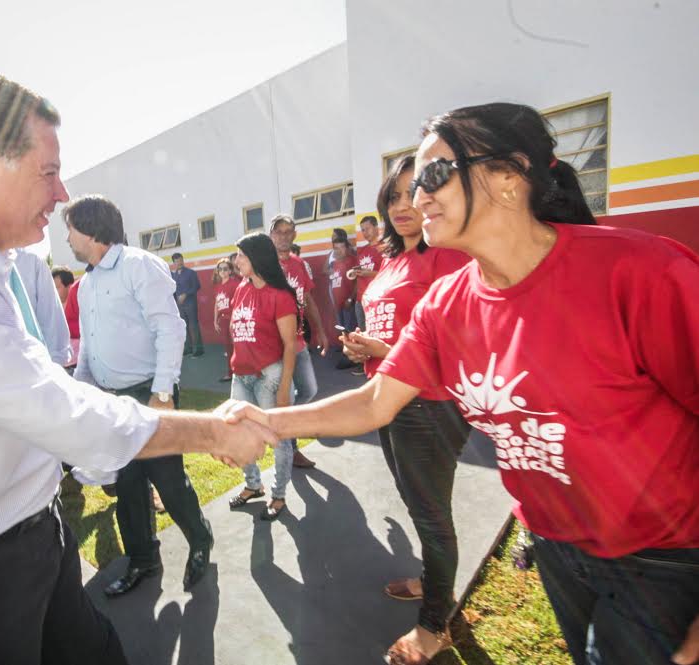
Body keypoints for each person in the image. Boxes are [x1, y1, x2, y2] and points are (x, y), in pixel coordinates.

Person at [0, 70, 273, 664]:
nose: (61, 196)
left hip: (24, 535)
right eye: (49, 171)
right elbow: (51, 408)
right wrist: (212, 429)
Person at [223, 102, 699, 665]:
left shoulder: (640, 274)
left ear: (507, 175)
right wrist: (264, 422)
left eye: (433, 175)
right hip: (555, 546)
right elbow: (376, 400)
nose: (418, 197)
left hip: (663, 558)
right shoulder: (448, 304)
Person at [341, 155, 471, 661]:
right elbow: (393, 334)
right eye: (391, 197)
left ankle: (436, 623)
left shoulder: (450, 258)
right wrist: (363, 348)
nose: (401, 206)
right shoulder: (391, 262)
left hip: (430, 405)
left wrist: (381, 351)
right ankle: (433, 579)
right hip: (388, 400)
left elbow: (456, 349)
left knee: (433, 513)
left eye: (410, 193)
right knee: (419, 504)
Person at [66, 194, 214, 596]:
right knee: (128, 486)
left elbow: (171, 329)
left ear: (92, 229)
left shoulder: (138, 265)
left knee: (167, 479)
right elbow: (91, 350)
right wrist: (81, 393)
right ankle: (144, 560)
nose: (67, 239)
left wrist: (162, 394)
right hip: (113, 401)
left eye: (71, 229)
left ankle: (200, 539)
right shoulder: (87, 285)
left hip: (151, 394)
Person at [225, 232, 298, 520]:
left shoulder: (280, 296)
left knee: (277, 438)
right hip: (240, 375)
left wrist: (284, 388)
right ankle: (253, 486)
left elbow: (291, 344)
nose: (236, 260)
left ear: (256, 258)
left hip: (269, 376)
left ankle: (278, 495)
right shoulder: (241, 288)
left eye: (241, 255)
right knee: (237, 434)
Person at [270, 214, 326, 469]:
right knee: (287, 398)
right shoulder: (265, 265)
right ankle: (290, 449)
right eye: (279, 232)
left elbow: (309, 299)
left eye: (288, 231)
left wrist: (321, 330)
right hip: (275, 345)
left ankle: (283, 427)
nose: (283, 236)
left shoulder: (300, 265)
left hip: (298, 341)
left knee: (309, 390)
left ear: (294, 235)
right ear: (271, 235)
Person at [329, 230, 358, 369]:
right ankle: (348, 355)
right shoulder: (334, 263)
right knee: (343, 330)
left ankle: (353, 359)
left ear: (346, 247)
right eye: (335, 248)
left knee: (350, 330)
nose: (338, 251)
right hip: (338, 305)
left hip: (348, 303)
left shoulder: (352, 260)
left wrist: (351, 299)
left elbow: (358, 282)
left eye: (341, 247)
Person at [349, 215, 382, 331]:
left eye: (367, 228)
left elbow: (389, 274)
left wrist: (369, 273)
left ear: (376, 228)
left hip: (378, 299)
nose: (365, 232)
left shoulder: (385, 248)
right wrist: (355, 273)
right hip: (360, 300)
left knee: (377, 334)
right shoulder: (362, 250)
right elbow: (360, 273)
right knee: (364, 334)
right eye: (362, 230)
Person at [212, 257, 241, 382]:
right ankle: (230, 373)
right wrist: (215, 320)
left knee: (238, 347)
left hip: (233, 319)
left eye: (225, 269)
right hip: (223, 320)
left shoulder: (235, 284)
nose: (222, 271)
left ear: (230, 271)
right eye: (220, 269)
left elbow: (239, 302)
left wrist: (234, 320)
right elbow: (217, 304)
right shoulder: (218, 287)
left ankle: (240, 372)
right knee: (228, 348)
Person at [171, 251, 204, 357]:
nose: (180, 263)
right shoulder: (173, 275)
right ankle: (188, 348)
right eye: (177, 261)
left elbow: (197, 286)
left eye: (181, 260)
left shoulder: (191, 273)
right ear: (174, 263)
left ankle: (199, 349)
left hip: (190, 303)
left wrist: (186, 294)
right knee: (183, 326)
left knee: (193, 325)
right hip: (179, 306)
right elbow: (173, 290)